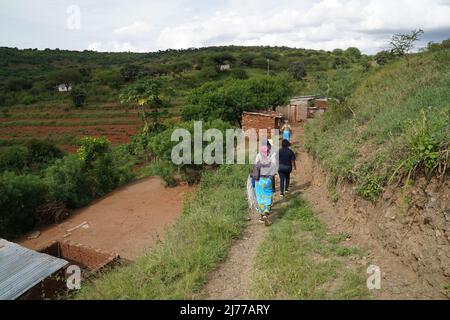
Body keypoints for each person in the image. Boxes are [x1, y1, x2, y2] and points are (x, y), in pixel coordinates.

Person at [253, 145, 277, 226]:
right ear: (268, 153)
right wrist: (273, 186)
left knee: (260, 199)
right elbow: (273, 176)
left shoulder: (258, 163)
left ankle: (262, 216)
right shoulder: (271, 163)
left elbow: (255, 176)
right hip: (268, 181)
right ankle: (266, 214)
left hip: (259, 183)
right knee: (268, 197)